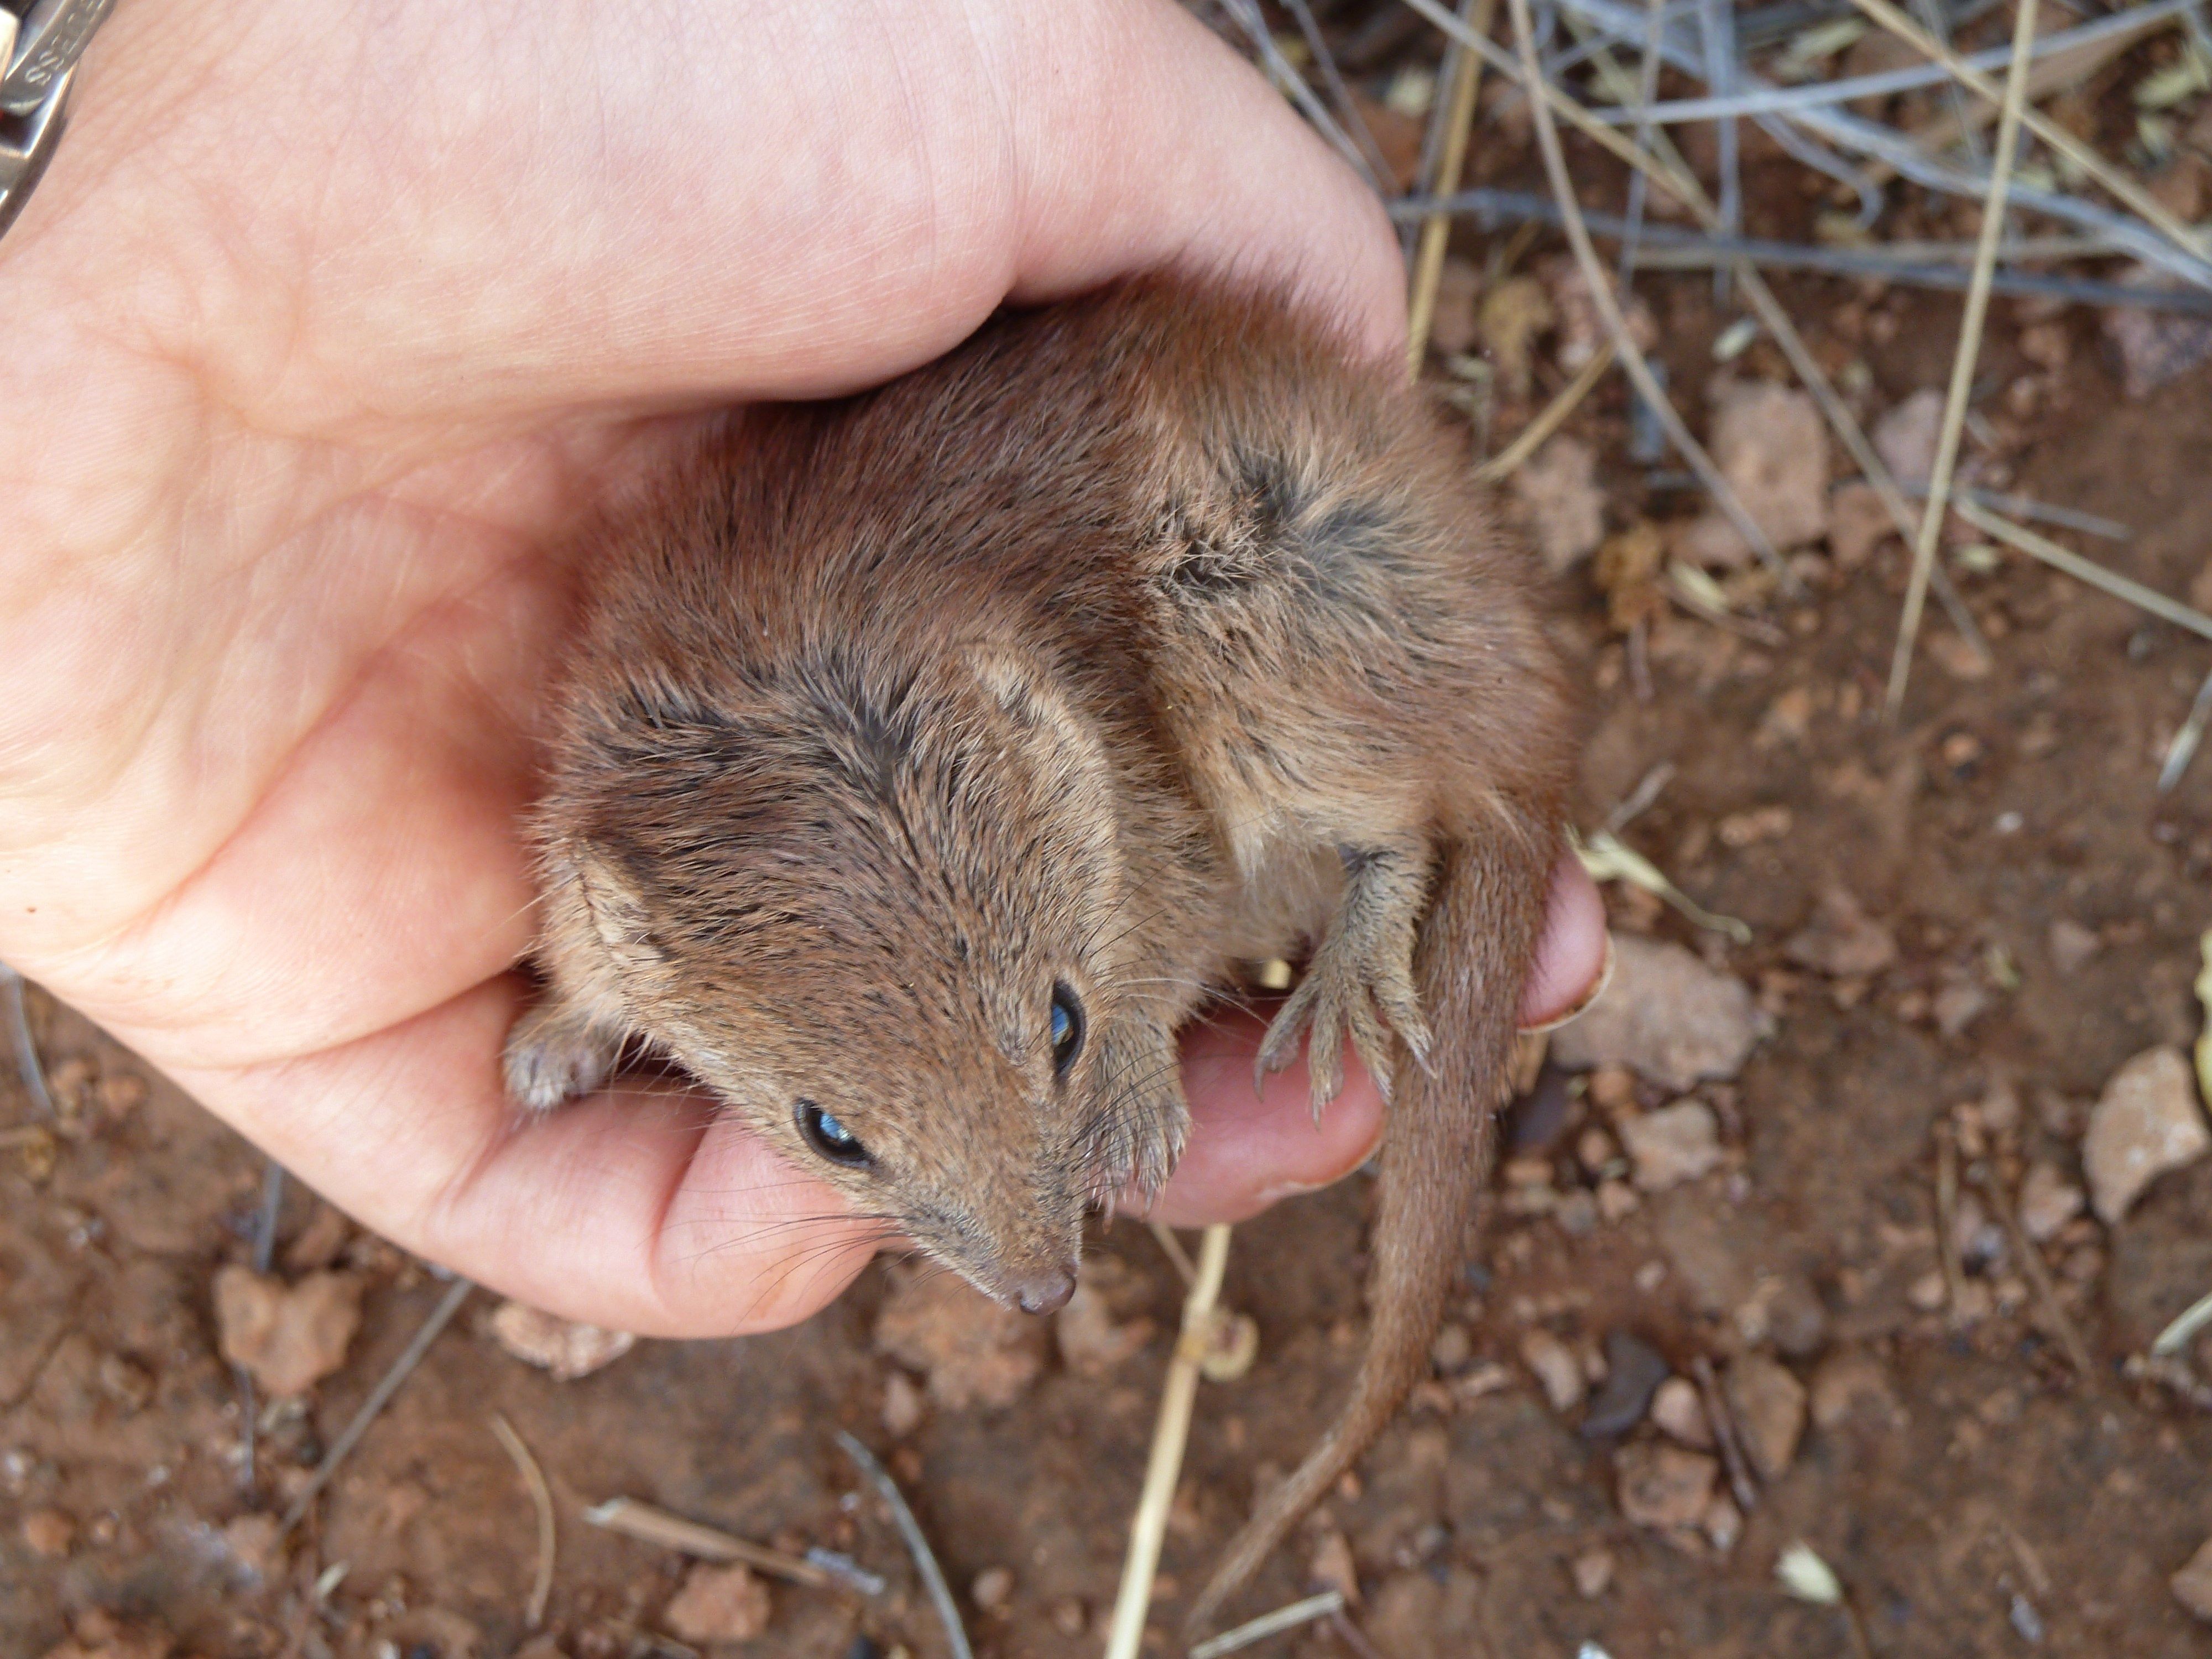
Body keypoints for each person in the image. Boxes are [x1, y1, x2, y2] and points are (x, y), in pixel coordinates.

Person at [0, 0, 1605, 1335]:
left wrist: (1113, 1037)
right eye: (837, 1139)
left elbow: (1154, 849)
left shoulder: (1029, 760)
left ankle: (1395, 855)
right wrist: (581, 1022)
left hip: (1220, 529)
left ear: (1030, 756)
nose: (1026, 1276)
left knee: (1287, 678)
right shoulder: (629, 908)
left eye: (1042, 1026)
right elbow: (607, 939)